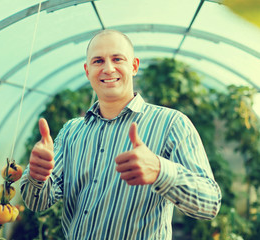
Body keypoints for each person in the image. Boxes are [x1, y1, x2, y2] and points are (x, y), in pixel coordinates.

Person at [20, 29, 222, 239]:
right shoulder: (72, 131)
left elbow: (209, 204)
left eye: (117, 59)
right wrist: (36, 175)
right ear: (87, 70)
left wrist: (161, 170)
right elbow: (37, 202)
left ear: (133, 66)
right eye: (98, 61)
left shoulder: (171, 124)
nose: (108, 68)